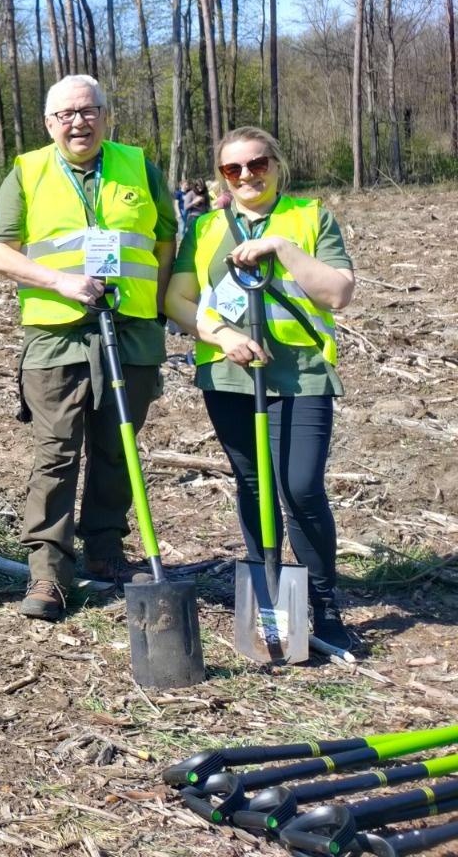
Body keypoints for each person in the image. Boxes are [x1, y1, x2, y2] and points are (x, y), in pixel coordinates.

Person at [0, 74, 177, 621]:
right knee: (57, 451)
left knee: (118, 447)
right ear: (49, 123)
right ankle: (48, 573)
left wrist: (155, 303)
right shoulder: (27, 171)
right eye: (66, 114)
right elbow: (0, 253)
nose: (78, 122)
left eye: (88, 110)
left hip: (132, 329)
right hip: (57, 333)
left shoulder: (140, 167)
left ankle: (107, 552)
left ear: (104, 114)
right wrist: (60, 281)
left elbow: (166, 239)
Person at [164, 127, 360, 653]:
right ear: (221, 176)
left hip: (301, 375)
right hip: (229, 377)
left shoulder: (309, 215)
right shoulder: (205, 227)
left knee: (300, 488)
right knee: (253, 487)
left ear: (276, 164)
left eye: (257, 164)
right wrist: (223, 335)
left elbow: (338, 293)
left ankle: (325, 605)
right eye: (234, 169)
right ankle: (272, 610)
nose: (247, 175)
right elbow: (178, 301)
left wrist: (281, 247)